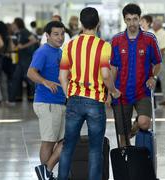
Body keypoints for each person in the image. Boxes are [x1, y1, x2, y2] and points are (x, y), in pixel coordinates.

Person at [58, 7, 120, 180]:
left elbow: (62, 76)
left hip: (74, 100)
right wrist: (113, 91)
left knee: (68, 146)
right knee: (95, 149)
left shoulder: (69, 45)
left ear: (80, 23)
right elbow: (106, 75)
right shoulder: (104, 46)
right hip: (95, 101)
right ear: (98, 24)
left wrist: (69, 95)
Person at [109, 3, 162, 146]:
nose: (132, 23)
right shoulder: (116, 40)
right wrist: (111, 90)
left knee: (144, 123)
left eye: (135, 19)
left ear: (140, 19)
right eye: (128, 19)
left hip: (142, 91)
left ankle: (134, 127)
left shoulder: (150, 39)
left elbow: (158, 63)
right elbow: (113, 68)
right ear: (124, 20)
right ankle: (127, 166)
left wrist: (153, 76)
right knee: (123, 138)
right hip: (121, 92)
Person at [27, 21, 66, 180]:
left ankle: (46, 171)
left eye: (62, 33)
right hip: (47, 103)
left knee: (66, 140)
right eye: (56, 34)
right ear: (47, 36)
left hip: (59, 102)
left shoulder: (59, 52)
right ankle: (46, 175)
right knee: (49, 142)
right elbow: (30, 72)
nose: (60, 37)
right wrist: (44, 81)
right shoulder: (43, 52)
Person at [8, 18, 38, 104]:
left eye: (13, 23)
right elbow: (16, 47)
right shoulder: (18, 34)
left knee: (29, 79)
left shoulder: (24, 31)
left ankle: (38, 98)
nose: (12, 25)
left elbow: (34, 40)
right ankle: (12, 100)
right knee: (17, 78)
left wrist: (23, 46)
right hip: (21, 60)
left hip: (26, 59)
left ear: (17, 24)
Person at [152, 18, 165, 105]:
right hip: (159, 57)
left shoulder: (163, 34)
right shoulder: (157, 33)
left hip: (161, 57)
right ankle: (151, 97)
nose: (152, 25)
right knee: (155, 76)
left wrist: (155, 57)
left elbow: (162, 48)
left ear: (158, 25)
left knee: (163, 78)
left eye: (153, 24)